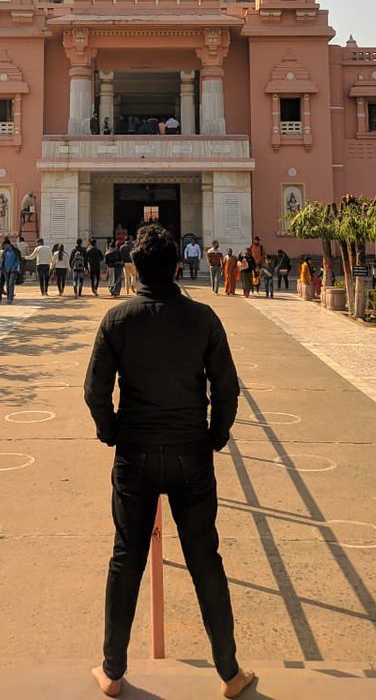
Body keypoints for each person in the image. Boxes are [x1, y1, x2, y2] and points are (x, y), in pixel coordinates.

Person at [84, 224, 254, 699]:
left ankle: (112, 671)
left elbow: (94, 391)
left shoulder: (117, 320)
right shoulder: (203, 319)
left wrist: (113, 431)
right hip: (190, 454)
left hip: (135, 454)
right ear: (178, 266)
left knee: (126, 560)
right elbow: (226, 388)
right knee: (205, 560)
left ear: (133, 268)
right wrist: (215, 437)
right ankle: (229, 673)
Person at [0, 239, 21, 304]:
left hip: (13, 270)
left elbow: (18, 260)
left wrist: (14, 267)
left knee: (11, 283)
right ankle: (8, 297)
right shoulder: (4, 252)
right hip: (6, 270)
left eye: (5, 245)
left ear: (8, 244)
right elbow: (2, 260)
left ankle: (10, 298)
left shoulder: (15, 251)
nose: (4, 247)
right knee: (7, 284)